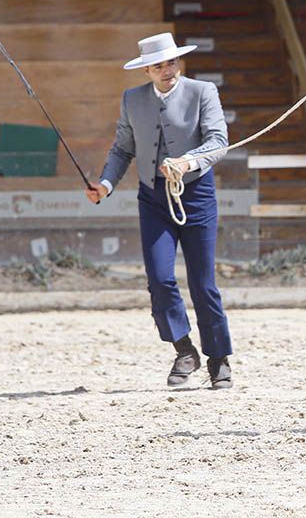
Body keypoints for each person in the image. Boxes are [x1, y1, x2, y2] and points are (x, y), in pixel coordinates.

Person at [85, 32, 234, 389]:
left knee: (203, 283)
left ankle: (218, 358)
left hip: (196, 195)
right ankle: (184, 349)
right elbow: (122, 149)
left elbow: (218, 141)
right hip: (153, 198)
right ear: (146, 71)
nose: (167, 70)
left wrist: (187, 161)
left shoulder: (203, 93)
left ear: (179, 63)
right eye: (158, 66)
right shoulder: (132, 100)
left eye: (171, 62)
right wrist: (105, 184)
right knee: (159, 279)